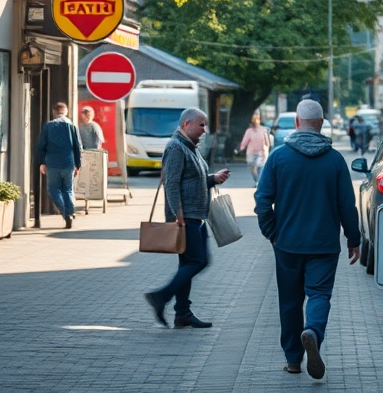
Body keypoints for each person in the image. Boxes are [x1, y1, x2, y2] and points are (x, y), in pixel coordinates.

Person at [254, 99, 360, 379]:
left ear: (298, 122)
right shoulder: (335, 159)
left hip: (287, 244)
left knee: (289, 301)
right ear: (322, 123)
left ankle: (292, 360)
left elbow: (262, 200)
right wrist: (354, 238)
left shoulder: (278, 157)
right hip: (324, 245)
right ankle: (312, 331)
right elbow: (347, 205)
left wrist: (271, 232)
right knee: (319, 294)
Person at [144, 108, 231, 329]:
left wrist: (213, 179)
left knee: (187, 264)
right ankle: (161, 297)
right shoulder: (175, 147)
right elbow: (172, 184)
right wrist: (178, 217)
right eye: (201, 125)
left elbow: (193, 179)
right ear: (186, 125)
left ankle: (182, 313)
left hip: (196, 216)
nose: (204, 130)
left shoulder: (190, 147)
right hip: (186, 218)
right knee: (198, 261)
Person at [36, 102, 82, 228]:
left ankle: (66, 213)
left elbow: (41, 146)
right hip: (68, 162)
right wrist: (78, 164)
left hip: (52, 163)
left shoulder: (48, 126)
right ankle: (70, 211)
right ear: (66, 111)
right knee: (68, 189)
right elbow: (78, 147)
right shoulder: (72, 126)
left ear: (54, 112)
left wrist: (41, 162)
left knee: (53, 189)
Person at [237, 112, 271, 186]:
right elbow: (245, 141)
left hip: (259, 153)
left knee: (258, 168)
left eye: (257, 120)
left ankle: (258, 182)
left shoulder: (262, 130)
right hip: (254, 153)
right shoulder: (250, 131)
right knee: (255, 168)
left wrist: (267, 149)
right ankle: (258, 181)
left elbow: (267, 142)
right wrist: (241, 148)